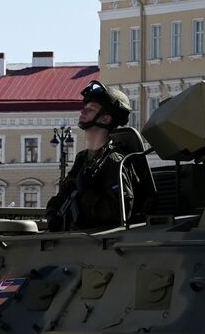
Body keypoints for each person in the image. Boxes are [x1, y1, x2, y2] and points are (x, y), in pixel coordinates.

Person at [46, 81, 153, 231]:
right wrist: (53, 213)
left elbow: (120, 211)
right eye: (85, 107)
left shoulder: (114, 160)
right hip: (75, 237)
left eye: (91, 109)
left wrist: (88, 193)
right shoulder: (82, 158)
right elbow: (65, 193)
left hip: (98, 243)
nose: (83, 111)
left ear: (105, 119)